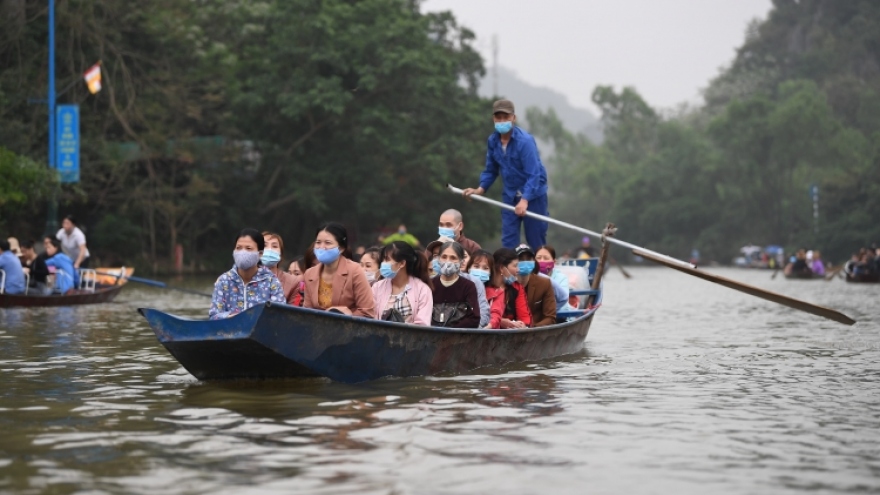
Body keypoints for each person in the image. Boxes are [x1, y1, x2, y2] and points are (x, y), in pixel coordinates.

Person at [462, 99, 549, 250]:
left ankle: (541, 271)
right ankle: (509, 272)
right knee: (508, 243)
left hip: (533, 196)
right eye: (498, 117)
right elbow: (491, 169)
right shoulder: (493, 141)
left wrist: (525, 200)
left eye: (506, 117)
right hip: (510, 196)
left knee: (536, 241)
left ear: (513, 118)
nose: (502, 121)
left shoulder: (525, 142)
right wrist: (480, 190)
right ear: (493, 119)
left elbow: (534, 175)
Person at [209, 228, 285, 320]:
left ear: (260, 253)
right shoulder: (224, 281)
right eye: (238, 248)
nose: (242, 252)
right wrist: (233, 318)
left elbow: (279, 316)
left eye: (248, 248)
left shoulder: (271, 282)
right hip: (230, 332)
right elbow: (214, 316)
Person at [303, 222, 374, 317]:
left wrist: (347, 316)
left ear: (341, 248)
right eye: (318, 242)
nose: (321, 247)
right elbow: (307, 312)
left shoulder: (355, 271)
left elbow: (367, 311)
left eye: (328, 243)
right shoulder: (309, 274)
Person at [426, 236, 490, 327]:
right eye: (444, 257)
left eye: (453, 258)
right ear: (439, 259)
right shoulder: (430, 285)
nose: (448, 261)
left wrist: (452, 330)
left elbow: (474, 318)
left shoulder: (468, 286)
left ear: (461, 261)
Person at [371, 241, 433, 325]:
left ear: (402, 263)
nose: (383, 263)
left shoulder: (422, 290)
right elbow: (372, 318)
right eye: (383, 260)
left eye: (387, 259)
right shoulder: (377, 287)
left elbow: (422, 325)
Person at [481, 248, 531, 328]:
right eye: (515, 266)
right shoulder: (483, 285)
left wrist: (522, 325)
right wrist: (501, 321)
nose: (518, 270)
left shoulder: (517, 287)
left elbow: (525, 317)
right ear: (501, 268)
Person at [515, 244, 556, 327]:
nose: (525, 262)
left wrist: (532, 328)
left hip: (536, 330)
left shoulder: (544, 283)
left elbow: (550, 317)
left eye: (528, 259)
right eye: (521, 259)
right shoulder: (508, 283)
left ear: (534, 261)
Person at [535, 245, 576, 312]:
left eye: (546, 258)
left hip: (559, 313)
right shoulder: (530, 276)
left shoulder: (561, 278)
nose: (542, 261)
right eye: (538, 258)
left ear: (554, 261)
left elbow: (563, 300)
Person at [262, 231, 298, 304]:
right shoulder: (245, 278)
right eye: (264, 246)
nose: (269, 249)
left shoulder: (292, 282)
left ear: (281, 254)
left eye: (274, 246)